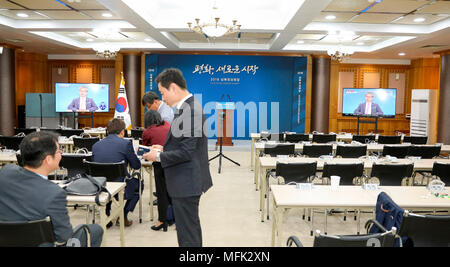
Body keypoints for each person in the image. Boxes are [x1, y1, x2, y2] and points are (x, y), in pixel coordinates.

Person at [143, 68, 213, 247]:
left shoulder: (191, 110)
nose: (163, 98)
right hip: (184, 180)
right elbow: (185, 144)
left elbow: (187, 152)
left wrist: (158, 156)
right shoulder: (186, 108)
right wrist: (164, 147)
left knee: (188, 234)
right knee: (186, 231)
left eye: (163, 92)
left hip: (187, 182)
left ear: (173, 88)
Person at [0, 131, 103, 246]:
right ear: (48, 159)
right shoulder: (54, 193)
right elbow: (63, 236)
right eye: (59, 151)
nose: (61, 154)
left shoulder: (6, 172)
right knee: (96, 230)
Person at [92, 118, 141, 228]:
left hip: (100, 186)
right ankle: (123, 215)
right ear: (123, 131)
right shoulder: (126, 144)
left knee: (107, 177)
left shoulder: (96, 145)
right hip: (120, 186)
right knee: (139, 185)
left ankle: (106, 214)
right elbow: (136, 165)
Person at [142, 110, 171, 231]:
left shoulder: (147, 131)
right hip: (172, 160)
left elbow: (145, 149)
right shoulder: (168, 125)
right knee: (171, 191)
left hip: (159, 162)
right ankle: (172, 218)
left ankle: (162, 221)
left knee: (161, 192)